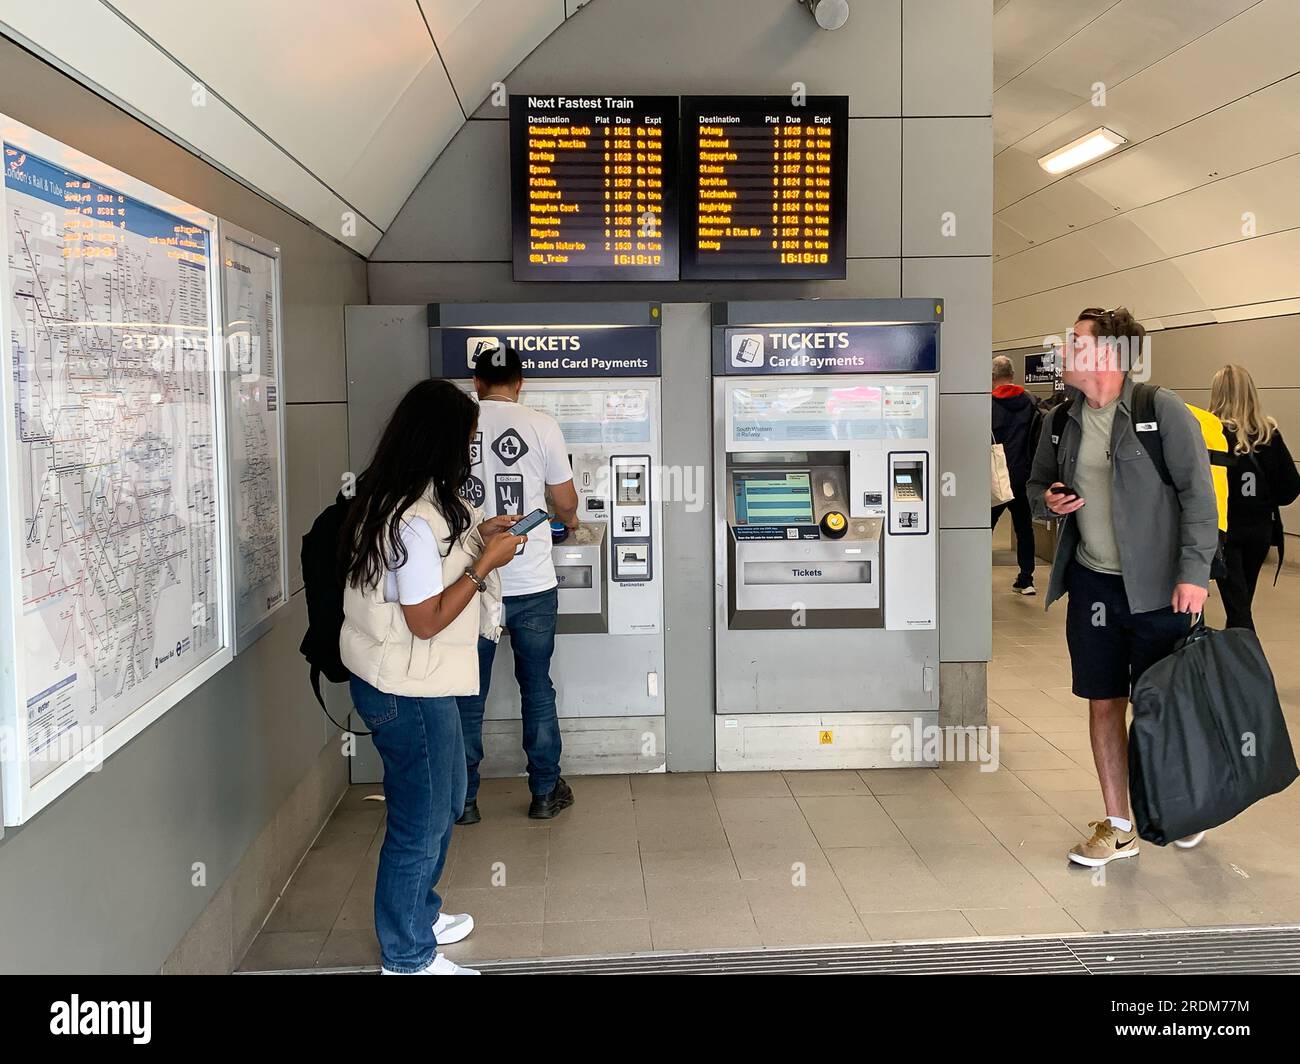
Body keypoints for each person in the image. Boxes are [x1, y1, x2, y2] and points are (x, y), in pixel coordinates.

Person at [339, 379, 526, 976]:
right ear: (438, 442)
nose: (470, 453)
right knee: (420, 820)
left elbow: (430, 572)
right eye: (467, 442)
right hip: (406, 688)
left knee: (441, 800)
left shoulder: (401, 496)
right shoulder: (413, 520)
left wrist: (480, 539)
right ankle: (407, 956)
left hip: (418, 683)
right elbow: (424, 620)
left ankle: (419, 911)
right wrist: (485, 567)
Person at [1026, 307, 1218, 867]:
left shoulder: (1162, 411)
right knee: (1103, 701)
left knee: (1161, 707)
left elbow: (1198, 499)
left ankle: (1179, 806)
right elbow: (1036, 486)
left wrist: (1194, 574)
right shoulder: (1061, 418)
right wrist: (1050, 501)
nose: (1064, 350)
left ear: (1110, 355)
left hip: (1161, 590)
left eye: (1075, 342)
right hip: (1093, 588)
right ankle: (1119, 825)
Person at [455, 346, 581, 825]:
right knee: (536, 687)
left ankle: (465, 801)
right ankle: (545, 792)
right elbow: (565, 501)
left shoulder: (459, 423)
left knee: (468, 691)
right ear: (520, 382)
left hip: (474, 581)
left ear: (477, 383)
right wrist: (568, 521)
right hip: (531, 582)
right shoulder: (541, 424)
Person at [1209, 364, 1300, 631]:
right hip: (1260, 531)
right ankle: (1238, 654)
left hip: (1224, 532)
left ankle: (1246, 664)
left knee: (1238, 609)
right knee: (1241, 601)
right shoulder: (1269, 434)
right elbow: (1290, 488)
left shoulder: (1211, 434)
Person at [991, 355, 1040, 594]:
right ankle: (1026, 578)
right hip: (1024, 475)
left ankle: (976, 574)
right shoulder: (1030, 400)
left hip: (997, 477)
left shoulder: (988, 403)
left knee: (984, 528)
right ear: (1012, 374)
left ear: (992, 377)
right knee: (1024, 528)